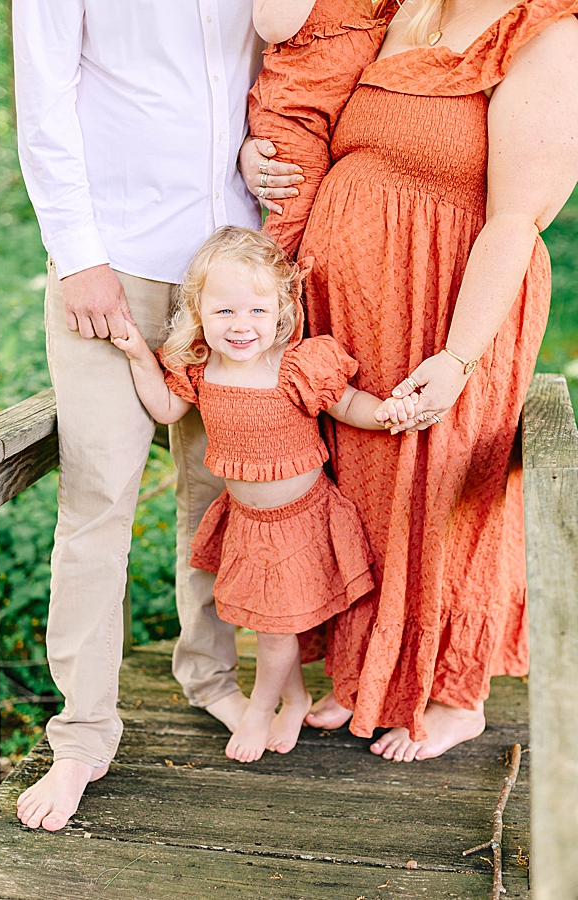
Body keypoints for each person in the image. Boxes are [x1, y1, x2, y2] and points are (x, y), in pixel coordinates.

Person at [240, 0, 578, 760]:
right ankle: (366, 673)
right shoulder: (408, 6)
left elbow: (516, 220)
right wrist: (253, 161)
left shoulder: (548, 35)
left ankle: (453, 694)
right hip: (356, 310)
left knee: (440, 488)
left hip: (450, 305)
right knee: (362, 490)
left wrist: (459, 357)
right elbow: (309, 95)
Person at [12, 2, 266, 831]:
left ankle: (211, 675)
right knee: (97, 500)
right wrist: (80, 258)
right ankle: (82, 735)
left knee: (219, 491)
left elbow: (263, 72)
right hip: (111, 263)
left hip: (229, 267)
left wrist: (263, 156)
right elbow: (43, 104)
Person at [113, 226, 417, 761]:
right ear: (198, 310)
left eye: (256, 311)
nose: (241, 325)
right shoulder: (201, 371)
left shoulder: (294, 367)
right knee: (263, 621)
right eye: (225, 311)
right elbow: (164, 410)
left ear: (279, 312)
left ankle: (259, 709)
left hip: (300, 520)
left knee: (276, 632)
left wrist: (387, 414)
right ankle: (294, 697)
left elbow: (347, 404)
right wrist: (140, 356)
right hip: (246, 522)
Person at [247, 0, 390, 258]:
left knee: (323, 236)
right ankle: (256, 293)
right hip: (295, 117)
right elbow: (272, 26)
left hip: (342, 123)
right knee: (282, 241)